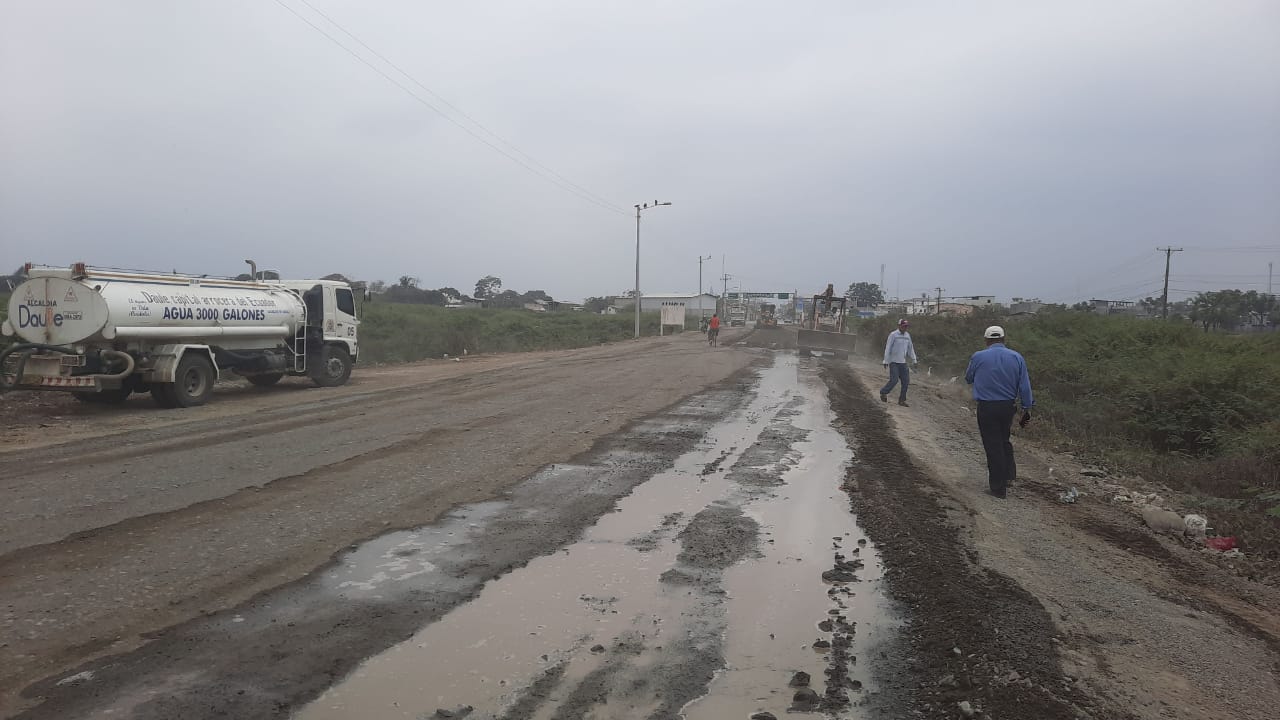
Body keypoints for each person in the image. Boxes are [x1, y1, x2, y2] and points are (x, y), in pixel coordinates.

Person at [964, 325, 1034, 499]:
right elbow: (1024, 386)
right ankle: (1009, 475)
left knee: (992, 445)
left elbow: (968, 378)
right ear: (1003, 339)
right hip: (1007, 407)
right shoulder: (1017, 357)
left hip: (987, 407)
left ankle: (998, 487)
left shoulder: (978, 356)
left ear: (986, 340)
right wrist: (1026, 407)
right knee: (1004, 439)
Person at [880, 319, 917, 406]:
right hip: (893, 362)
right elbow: (888, 347)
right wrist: (885, 360)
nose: (905, 328)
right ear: (899, 326)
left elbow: (910, 348)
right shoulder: (893, 335)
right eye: (904, 326)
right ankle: (883, 392)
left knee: (906, 381)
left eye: (906, 326)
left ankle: (902, 400)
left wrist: (914, 360)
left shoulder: (907, 336)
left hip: (903, 362)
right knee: (894, 380)